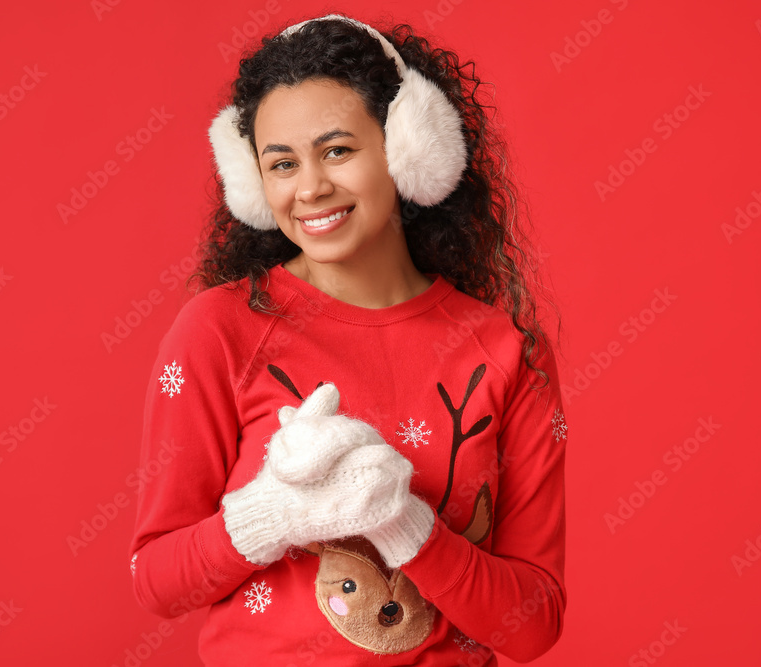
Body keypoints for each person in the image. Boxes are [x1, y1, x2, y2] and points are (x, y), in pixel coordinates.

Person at [129, 12, 568, 666]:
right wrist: (270, 515)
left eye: (337, 150)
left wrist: (408, 527)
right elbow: (155, 579)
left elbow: (534, 626)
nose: (309, 188)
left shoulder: (506, 351)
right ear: (254, 181)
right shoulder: (218, 330)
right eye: (281, 163)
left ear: (407, 151)